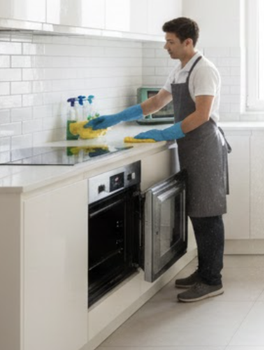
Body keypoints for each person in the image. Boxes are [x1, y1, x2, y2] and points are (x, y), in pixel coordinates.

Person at [88, 17, 230, 303]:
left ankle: (212, 279)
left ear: (188, 42)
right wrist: (115, 119)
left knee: (207, 214)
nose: (166, 46)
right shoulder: (180, 70)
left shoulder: (204, 70)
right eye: (166, 41)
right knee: (196, 211)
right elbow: (155, 103)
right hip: (190, 145)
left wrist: (167, 132)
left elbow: (202, 114)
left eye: (171, 41)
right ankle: (204, 273)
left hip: (204, 145)